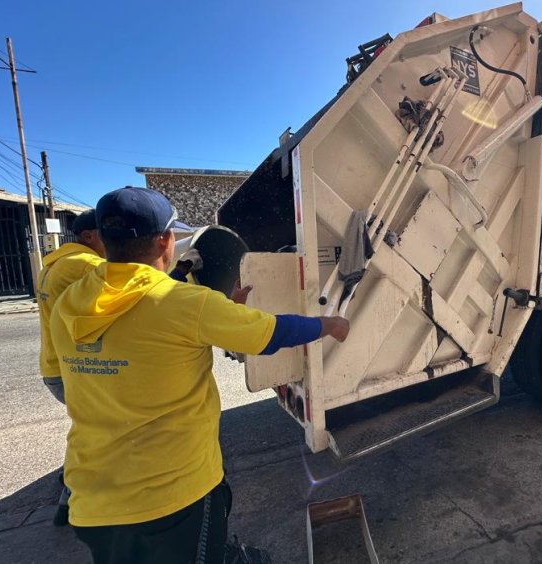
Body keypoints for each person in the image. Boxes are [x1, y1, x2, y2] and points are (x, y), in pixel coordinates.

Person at [50, 187, 349, 564]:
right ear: (165, 239)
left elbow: (148, 331)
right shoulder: (184, 304)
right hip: (171, 496)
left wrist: (223, 308)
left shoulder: (68, 303)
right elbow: (271, 333)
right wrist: (328, 323)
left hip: (93, 499)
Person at [36, 209, 106, 526]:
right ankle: (71, 502)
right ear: (88, 236)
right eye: (108, 231)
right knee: (99, 435)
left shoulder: (52, 264)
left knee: (88, 428)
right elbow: (141, 298)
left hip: (55, 365)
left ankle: (68, 475)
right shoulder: (85, 265)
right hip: (75, 369)